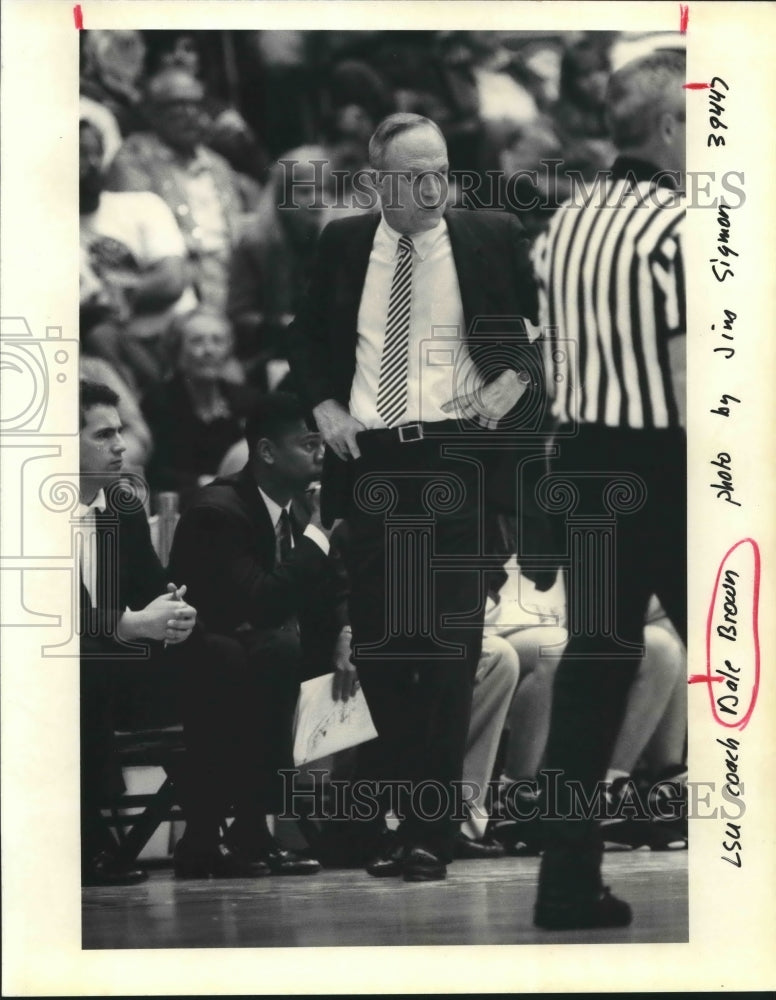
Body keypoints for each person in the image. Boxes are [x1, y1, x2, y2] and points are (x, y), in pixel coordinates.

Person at [287, 112, 540, 881]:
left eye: (442, 170)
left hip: (456, 458)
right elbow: (307, 346)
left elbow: (529, 346)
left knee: (453, 647)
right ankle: (405, 820)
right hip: (370, 463)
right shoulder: (340, 244)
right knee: (386, 651)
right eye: (414, 175)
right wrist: (323, 408)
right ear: (377, 183)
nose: (434, 187)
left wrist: (508, 393)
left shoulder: (490, 236)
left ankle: (431, 828)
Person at [530, 50, 686, 929]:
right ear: (668, 127)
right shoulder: (681, 229)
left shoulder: (566, 225)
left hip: (583, 465)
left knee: (593, 673)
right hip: (668, 463)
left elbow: (556, 364)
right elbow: (692, 373)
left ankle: (565, 883)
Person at [167, 392, 354, 877]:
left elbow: (335, 590)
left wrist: (346, 633)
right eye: (308, 444)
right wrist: (317, 534)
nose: (321, 453)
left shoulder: (293, 506)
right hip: (200, 668)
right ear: (267, 452)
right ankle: (253, 828)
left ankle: (352, 828)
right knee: (274, 652)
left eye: (321, 444)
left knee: (363, 658)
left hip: (267, 660)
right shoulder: (218, 510)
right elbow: (261, 601)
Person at [78, 380, 197, 886]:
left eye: (120, 432)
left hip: (119, 665)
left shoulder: (123, 507)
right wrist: (130, 622)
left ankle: (221, 830)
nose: (121, 446)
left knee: (225, 655)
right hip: (48, 673)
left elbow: (152, 587)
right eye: (104, 435)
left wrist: (174, 613)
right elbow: (41, 618)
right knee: (79, 664)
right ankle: (87, 837)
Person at [107, 68, 244, 312]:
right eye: (176, 106)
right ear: (152, 113)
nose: (189, 114)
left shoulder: (218, 164)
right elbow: (137, 236)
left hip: (231, 279)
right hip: (178, 283)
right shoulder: (134, 158)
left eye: (196, 104)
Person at [80, 119, 197, 395]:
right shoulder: (43, 228)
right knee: (101, 337)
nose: (92, 163)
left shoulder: (142, 205)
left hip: (179, 332)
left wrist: (117, 292)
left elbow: (171, 281)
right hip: (119, 349)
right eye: (79, 155)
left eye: (96, 152)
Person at [141, 307, 257, 508]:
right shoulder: (159, 400)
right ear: (177, 350)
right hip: (180, 504)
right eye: (197, 341)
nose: (208, 350)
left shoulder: (246, 399)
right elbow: (155, 471)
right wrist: (203, 481)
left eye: (217, 341)